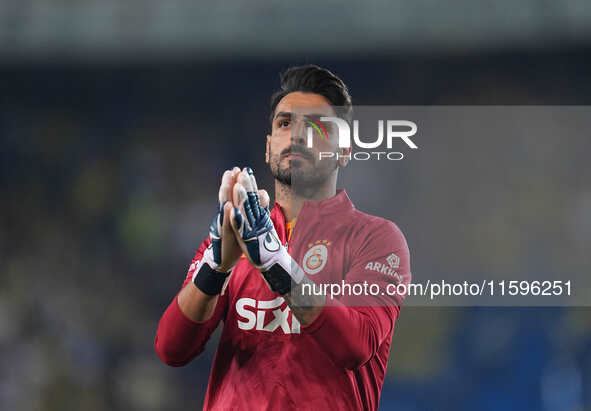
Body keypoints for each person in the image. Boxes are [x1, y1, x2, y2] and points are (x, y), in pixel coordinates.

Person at [155, 65, 412, 410]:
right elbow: (172, 349)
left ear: (345, 149)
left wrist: (276, 263)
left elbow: (355, 345)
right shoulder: (234, 235)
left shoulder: (376, 238)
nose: (297, 136)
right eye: (285, 123)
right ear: (268, 147)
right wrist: (216, 267)